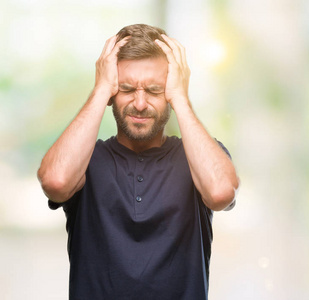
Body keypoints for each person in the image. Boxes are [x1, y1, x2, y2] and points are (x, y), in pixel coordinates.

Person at [37, 24, 239, 300]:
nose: (140, 103)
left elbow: (220, 192)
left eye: (155, 90)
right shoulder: (86, 161)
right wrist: (100, 89)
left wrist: (181, 98)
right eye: (127, 88)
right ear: (111, 94)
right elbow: (55, 182)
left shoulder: (199, 157)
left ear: (169, 91)